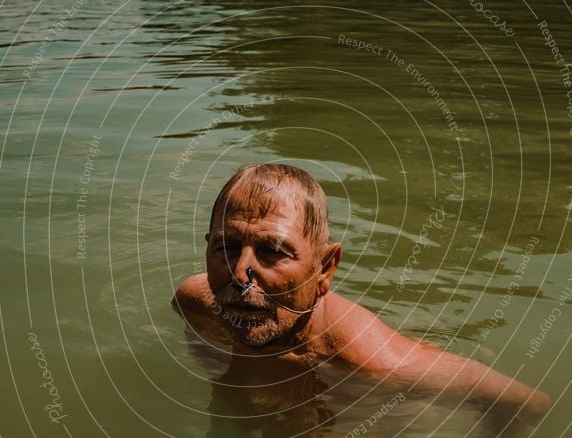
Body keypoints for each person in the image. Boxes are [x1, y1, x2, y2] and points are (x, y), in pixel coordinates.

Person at [172, 163, 550, 418]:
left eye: (273, 251)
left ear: (324, 268)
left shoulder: (377, 362)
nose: (241, 273)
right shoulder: (194, 303)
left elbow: (527, 404)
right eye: (226, 247)